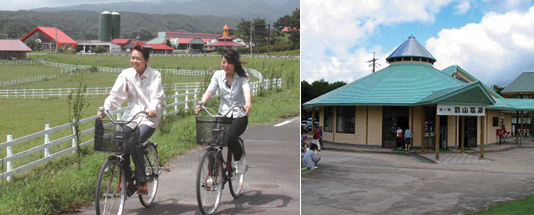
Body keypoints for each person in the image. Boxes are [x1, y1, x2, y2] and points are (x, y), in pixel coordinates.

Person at [98, 44, 164, 195]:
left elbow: (157, 96)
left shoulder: (155, 75)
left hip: (148, 118)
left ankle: (142, 179)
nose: (134, 61)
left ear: (146, 60)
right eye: (133, 58)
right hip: (131, 117)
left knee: (135, 141)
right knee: (122, 144)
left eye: (138, 58)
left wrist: (153, 109)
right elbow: (116, 95)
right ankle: (128, 180)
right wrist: (106, 108)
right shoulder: (126, 74)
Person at [195, 48, 251, 175]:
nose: (225, 66)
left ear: (235, 63)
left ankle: (239, 157)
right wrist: (202, 103)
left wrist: (248, 103)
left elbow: (247, 89)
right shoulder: (218, 75)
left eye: (228, 63)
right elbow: (210, 90)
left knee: (230, 138)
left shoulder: (243, 76)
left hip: (239, 114)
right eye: (223, 62)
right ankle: (212, 176)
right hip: (223, 113)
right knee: (213, 143)